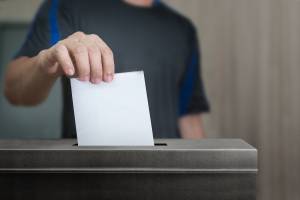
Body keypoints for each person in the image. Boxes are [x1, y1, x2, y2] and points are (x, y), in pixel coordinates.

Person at [4, 0, 210, 139]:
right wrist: (44, 63)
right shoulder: (66, 6)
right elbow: (14, 91)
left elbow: (189, 119)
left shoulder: (182, 29)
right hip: (89, 180)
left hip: (164, 181)